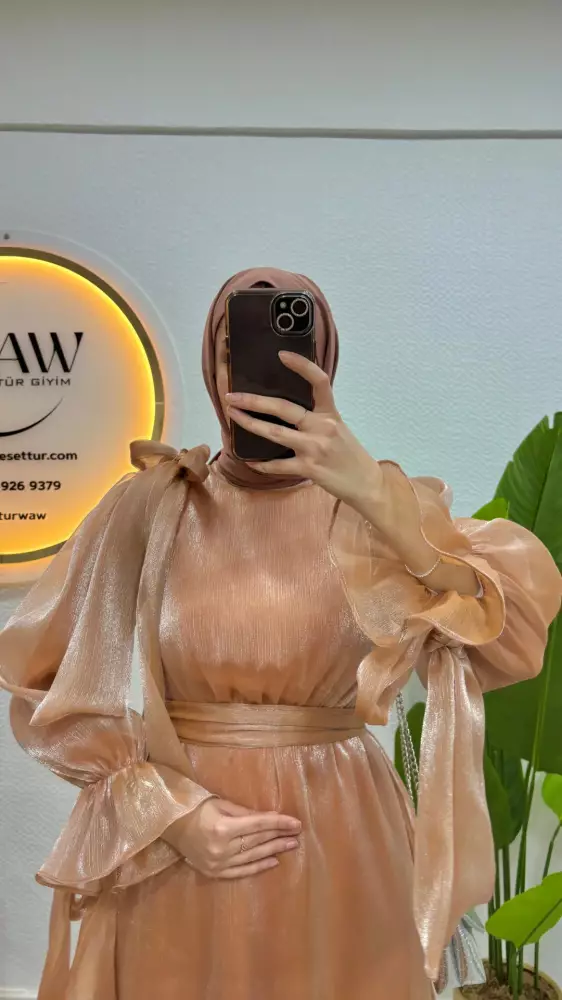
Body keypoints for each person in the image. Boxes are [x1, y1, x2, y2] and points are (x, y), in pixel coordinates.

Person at [0, 267, 560, 1000]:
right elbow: (35, 678)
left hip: (345, 840)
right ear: (212, 366)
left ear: (324, 362)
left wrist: (374, 494)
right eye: (235, 348)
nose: (256, 371)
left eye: (295, 346)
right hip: (179, 849)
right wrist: (163, 811)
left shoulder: (377, 514)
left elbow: (506, 639)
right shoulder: (153, 505)